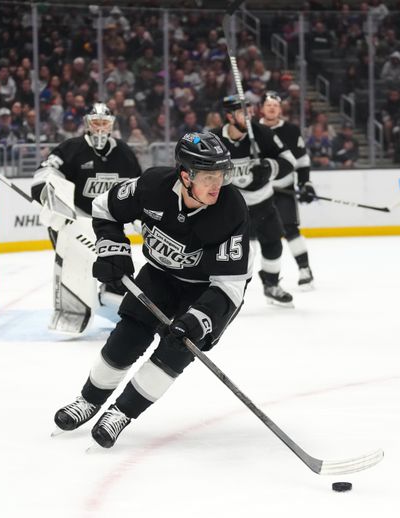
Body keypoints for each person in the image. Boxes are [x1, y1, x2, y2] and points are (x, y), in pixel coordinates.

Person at [53, 132, 250, 448]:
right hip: (159, 275)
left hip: (206, 291)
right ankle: (89, 400)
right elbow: (104, 207)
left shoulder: (231, 209)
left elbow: (231, 285)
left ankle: (122, 413)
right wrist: (112, 249)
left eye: (221, 175)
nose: (218, 184)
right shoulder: (153, 185)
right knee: (127, 337)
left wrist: (197, 319)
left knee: (174, 353)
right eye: (209, 177)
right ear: (186, 176)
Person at [31, 103, 142, 334]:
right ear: (87, 124)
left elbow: (137, 188)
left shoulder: (124, 152)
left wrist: (139, 217)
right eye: (96, 122)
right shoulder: (71, 148)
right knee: (79, 266)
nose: (100, 128)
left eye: (104, 123)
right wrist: (50, 196)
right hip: (74, 220)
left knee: (114, 268)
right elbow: (46, 172)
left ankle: (110, 300)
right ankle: (75, 309)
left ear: (111, 125)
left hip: (108, 222)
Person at [212, 94, 297, 305]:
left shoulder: (262, 133)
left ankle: (271, 285)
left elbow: (289, 160)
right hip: (233, 208)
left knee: (273, 245)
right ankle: (226, 292)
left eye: (250, 112)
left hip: (263, 203)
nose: (248, 116)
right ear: (230, 116)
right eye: (243, 113)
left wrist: (269, 167)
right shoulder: (215, 140)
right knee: (239, 253)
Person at [258, 90, 316, 288]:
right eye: (268, 105)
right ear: (262, 108)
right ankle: (257, 276)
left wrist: (305, 183)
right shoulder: (253, 130)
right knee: (254, 234)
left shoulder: (291, 130)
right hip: (258, 192)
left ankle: (305, 269)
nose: (272, 108)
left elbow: (302, 160)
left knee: (290, 229)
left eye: (275, 105)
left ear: (280, 109)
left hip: (284, 188)